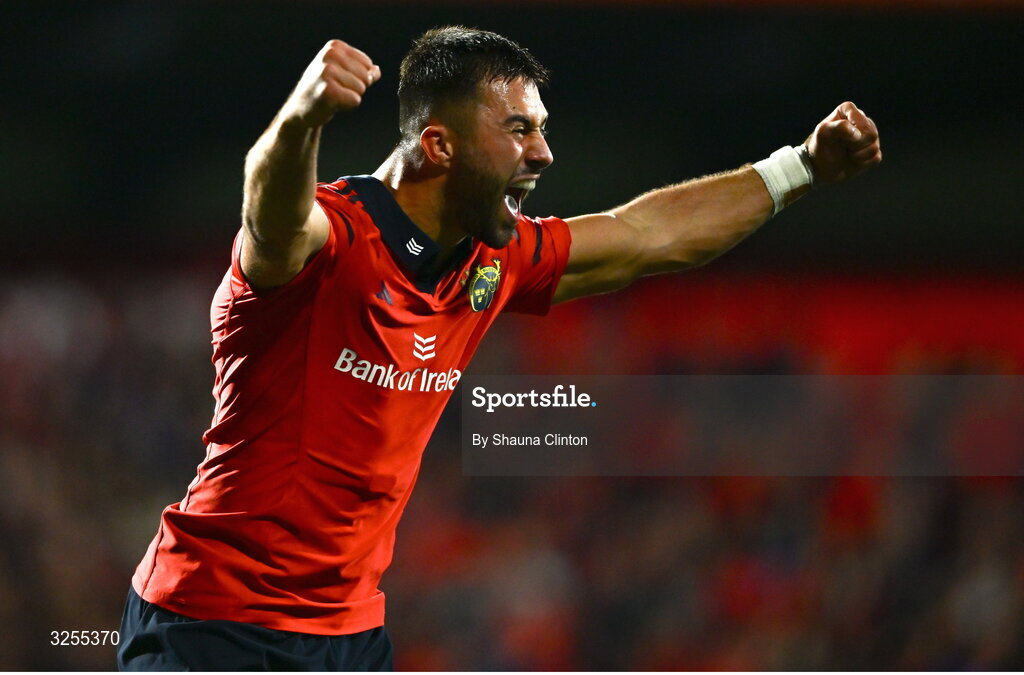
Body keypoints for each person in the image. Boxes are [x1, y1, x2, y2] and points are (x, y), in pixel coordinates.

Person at [117, 26, 881, 671]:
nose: (544, 153)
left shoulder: (492, 260)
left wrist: (800, 167)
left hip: (347, 633)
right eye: (519, 129)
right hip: (211, 623)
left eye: (542, 128)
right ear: (439, 144)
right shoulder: (328, 243)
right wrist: (301, 117)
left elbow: (652, 236)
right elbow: (273, 212)